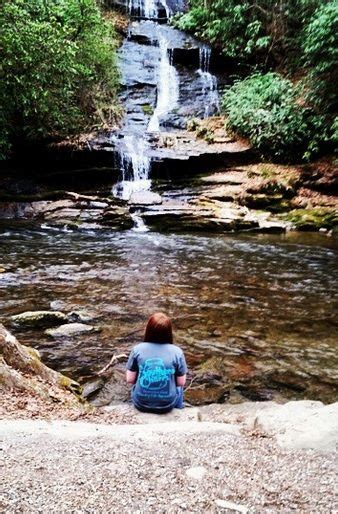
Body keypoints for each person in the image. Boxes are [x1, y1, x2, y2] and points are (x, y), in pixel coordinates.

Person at [126, 312, 187, 413]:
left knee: (136, 382)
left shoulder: (137, 350)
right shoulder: (177, 352)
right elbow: (181, 382)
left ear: (148, 330)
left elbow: (130, 379)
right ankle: (179, 409)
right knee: (179, 388)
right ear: (169, 332)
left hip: (141, 404)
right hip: (167, 406)